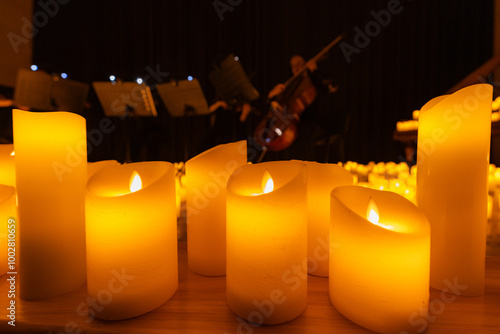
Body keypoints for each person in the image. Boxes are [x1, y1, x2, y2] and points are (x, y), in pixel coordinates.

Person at [264, 54, 338, 161]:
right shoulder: (290, 85)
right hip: (293, 122)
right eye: (293, 65)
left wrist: (315, 72)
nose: (296, 67)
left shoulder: (314, 80)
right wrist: (271, 97)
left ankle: (305, 169)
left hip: (313, 122)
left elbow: (332, 87)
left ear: (305, 64)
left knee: (305, 131)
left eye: (299, 64)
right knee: (274, 132)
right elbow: (277, 108)